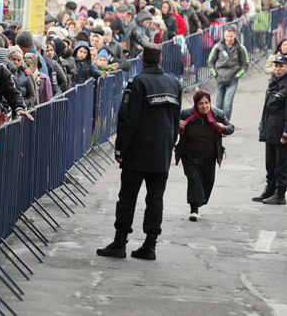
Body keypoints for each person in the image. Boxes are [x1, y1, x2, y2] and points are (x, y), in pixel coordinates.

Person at [96, 43, 183, 261]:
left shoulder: (138, 82)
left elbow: (128, 119)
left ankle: (120, 242)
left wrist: (120, 149)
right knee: (155, 200)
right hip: (161, 152)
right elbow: (175, 118)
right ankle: (150, 245)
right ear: (160, 60)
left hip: (138, 151)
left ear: (142, 59)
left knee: (127, 198)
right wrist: (170, 146)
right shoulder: (174, 82)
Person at [176, 91, 235, 221]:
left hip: (209, 156)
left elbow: (231, 127)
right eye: (201, 103)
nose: (204, 106)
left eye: (206, 103)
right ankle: (194, 210)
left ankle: (199, 201)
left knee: (208, 183)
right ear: (196, 105)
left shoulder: (218, 115)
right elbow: (170, 125)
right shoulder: (185, 114)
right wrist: (177, 125)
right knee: (194, 180)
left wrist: (223, 127)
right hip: (189, 155)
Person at [253, 55, 287, 205]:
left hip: (282, 133)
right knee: (271, 162)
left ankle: (280, 194)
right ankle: (270, 189)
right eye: (276, 66)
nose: (278, 69)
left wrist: (286, 134)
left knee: (282, 163)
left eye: (281, 66)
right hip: (271, 130)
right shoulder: (274, 82)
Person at [207, 26, 249, 120]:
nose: (229, 39)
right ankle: (217, 124)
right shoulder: (217, 47)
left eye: (231, 36)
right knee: (218, 104)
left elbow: (245, 64)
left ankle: (226, 125)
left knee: (227, 104)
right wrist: (215, 75)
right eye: (227, 36)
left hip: (232, 80)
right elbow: (210, 61)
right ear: (224, 35)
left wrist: (236, 76)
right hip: (219, 79)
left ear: (235, 35)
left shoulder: (241, 48)